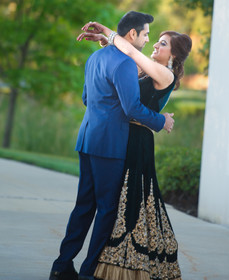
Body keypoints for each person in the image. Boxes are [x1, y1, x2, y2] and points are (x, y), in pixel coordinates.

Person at [49, 11, 175, 280]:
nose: (147, 39)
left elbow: (86, 97)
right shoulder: (126, 64)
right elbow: (131, 108)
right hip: (110, 145)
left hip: (87, 138)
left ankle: (61, 265)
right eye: (146, 34)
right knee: (107, 209)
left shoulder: (95, 57)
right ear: (133, 34)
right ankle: (87, 272)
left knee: (84, 206)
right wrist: (160, 120)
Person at [77, 20, 192, 280]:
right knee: (112, 204)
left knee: (129, 205)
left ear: (173, 55)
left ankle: (120, 267)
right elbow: (122, 69)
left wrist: (108, 32)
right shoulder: (146, 70)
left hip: (137, 143)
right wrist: (107, 43)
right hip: (120, 137)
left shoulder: (165, 75)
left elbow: (130, 52)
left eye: (163, 43)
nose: (155, 44)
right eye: (156, 39)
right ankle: (101, 264)